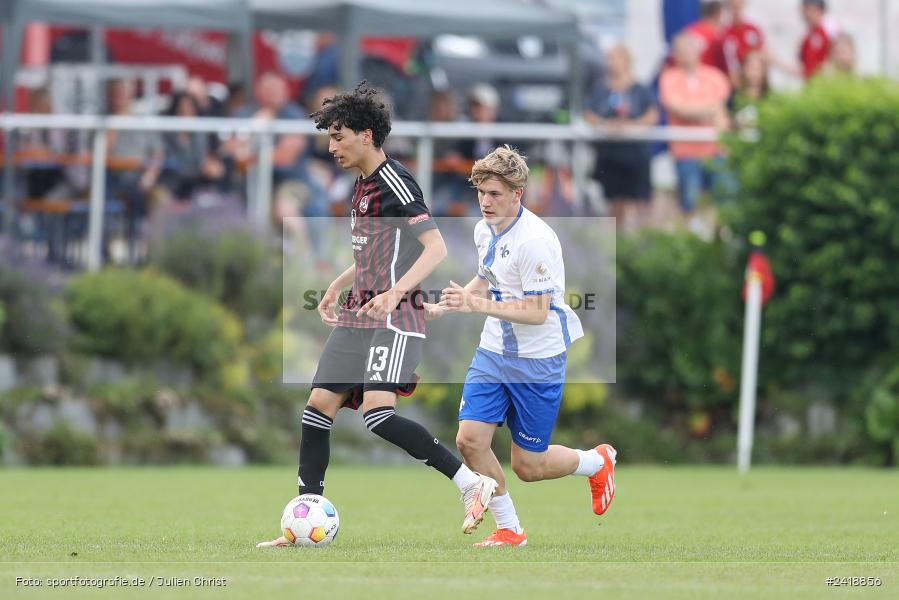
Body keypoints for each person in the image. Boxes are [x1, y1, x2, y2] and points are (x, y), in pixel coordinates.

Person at [257, 82, 497, 548]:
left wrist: (396, 293)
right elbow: (375, 251)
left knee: (377, 417)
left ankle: (471, 482)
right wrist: (337, 283)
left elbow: (435, 247)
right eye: (329, 137)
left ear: (366, 135)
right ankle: (303, 520)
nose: (331, 147)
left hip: (395, 315)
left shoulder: (396, 182)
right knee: (316, 412)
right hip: (359, 312)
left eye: (339, 136)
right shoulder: (362, 184)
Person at [432, 145, 617, 547]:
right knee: (468, 441)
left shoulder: (536, 240)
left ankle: (595, 461)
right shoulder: (485, 228)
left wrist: (474, 304)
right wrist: (448, 305)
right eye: (481, 192)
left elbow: (537, 312)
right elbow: (484, 278)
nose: (485, 201)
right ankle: (510, 529)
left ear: (518, 194)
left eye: (495, 194)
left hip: (538, 362)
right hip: (493, 354)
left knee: (528, 467)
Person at [584, 44, 658, 230]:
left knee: (639, 202)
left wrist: (632, 126)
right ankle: (619, 245)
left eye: (614, 58)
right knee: (615, 202)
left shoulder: (640, 89)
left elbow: (652, 114)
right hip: (611, 153)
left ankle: (641, 241)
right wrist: (607, 125)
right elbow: (589, 114)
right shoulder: (602, 88)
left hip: (635, 153)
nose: (611, 63)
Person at [659, 33, 732, 215]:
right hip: (686, 153)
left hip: (715, 152)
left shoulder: (715, 76)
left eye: (689, 49)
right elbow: (677, 108)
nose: (686, 54)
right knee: (690, 203)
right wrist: (707, 111)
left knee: (722, 202)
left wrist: (691, 111)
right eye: (681, 50)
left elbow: (720, 110)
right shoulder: (668, 78)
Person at [719, 0, 765, 87]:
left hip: (752, 82)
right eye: (733, 7)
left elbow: (761, 56)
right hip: (730, 83)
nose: (736, 10)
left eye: (739, 6)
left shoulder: (753, 30)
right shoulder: (723, 32)